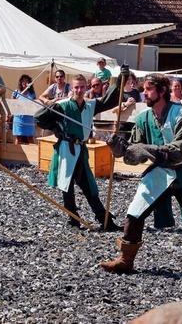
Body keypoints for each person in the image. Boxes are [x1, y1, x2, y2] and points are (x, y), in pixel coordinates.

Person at [102, 73, 182, 274]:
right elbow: (134, 154)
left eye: (149, 89)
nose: (144, 93)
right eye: (144, 89)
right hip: (160, 172)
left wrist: (146, 149)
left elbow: (180, 149)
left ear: (162, 91)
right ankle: (126, 260)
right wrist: (118, 148)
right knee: (135, 212)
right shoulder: (143, 117)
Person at [34, 71, 127, 231]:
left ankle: (105, 221)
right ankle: (73, 220)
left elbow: (108, 100)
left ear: (86, 88)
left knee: (89, 186)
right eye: (76, 87)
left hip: (81, 150)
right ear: (72, 88)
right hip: (66, 149)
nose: (79, 90)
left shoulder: (90, 105)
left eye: (82, 87)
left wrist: (120, 81)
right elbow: (39, 118)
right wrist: (56, 125)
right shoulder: (62, 105)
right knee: (67, 186)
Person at [11, 74, 36, 144]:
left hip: (29, 119)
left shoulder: (32, 93)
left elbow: (34, 105)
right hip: (19, 118)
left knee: (30, 138)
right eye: (23, 81)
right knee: (18, 138)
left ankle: (32, 154)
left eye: (26, 81)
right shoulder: (16, 92)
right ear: (20, 82)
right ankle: (16, 153)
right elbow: (12, 104)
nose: (24, 83)